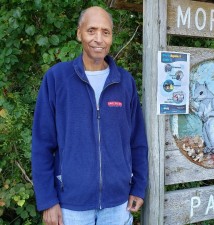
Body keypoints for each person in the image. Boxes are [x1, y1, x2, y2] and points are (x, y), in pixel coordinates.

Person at [31, 6, 148, 225]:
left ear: (112, 37)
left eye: (106, 32)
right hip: (71, 206)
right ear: (79, 33)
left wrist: (139, 187)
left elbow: (137, 142)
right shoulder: (57, 79)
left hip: (118, 204)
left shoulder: (125, 82)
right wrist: (48, 200)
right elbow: (41, 145)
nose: (98, 39)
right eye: (91, 30)